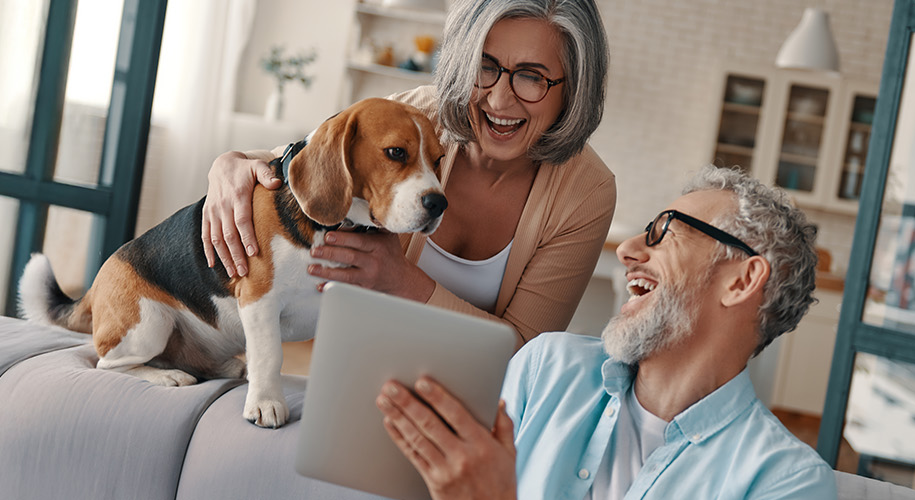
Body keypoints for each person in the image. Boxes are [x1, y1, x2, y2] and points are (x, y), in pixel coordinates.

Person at [375, 166, 839, 500]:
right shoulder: (546, 368)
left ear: (740, 280)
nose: (630, 250)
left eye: (663, 232)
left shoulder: (786, 483)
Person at [202, 0, 615, 344]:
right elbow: (315, 159)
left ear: (572, 90)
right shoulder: (420, 113)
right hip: (354, 372)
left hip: (474, 412)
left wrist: (407, 284)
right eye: (485, 66)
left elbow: (527, 351)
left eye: (532, 77)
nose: (499, 99)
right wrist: (231, 163)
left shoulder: (587, 192)